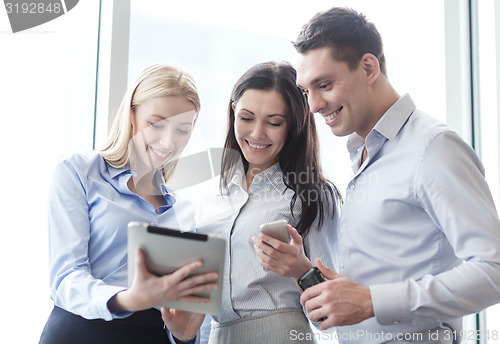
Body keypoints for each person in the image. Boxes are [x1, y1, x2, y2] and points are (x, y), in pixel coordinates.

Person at [280, 6, 500, 343]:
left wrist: (372, 301)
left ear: (368, 67)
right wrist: (320, 280)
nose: (313, 106)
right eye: (307, 91)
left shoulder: (433, 148)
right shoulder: (362, 154)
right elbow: (384, 279)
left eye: (324, 85)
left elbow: (494, 270)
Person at [39, 64, 218, 344]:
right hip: (81, 332)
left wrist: (184, 336)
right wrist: (127, 299)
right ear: (132, 114)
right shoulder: (79, 171)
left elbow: (182, 317)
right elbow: (65, 278)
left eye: (183, 129)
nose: (169, 141)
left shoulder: (186, 210)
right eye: (156, 124)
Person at [164, 61, 341, 343]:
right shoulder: (211, 195)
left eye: (273, 122)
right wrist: (183, 335)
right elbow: (200, 313)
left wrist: (302, 271)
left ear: (294, 125)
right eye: (246, 118)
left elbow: (332, 321)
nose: (257, 133)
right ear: (233, 111)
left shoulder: (312, 195)